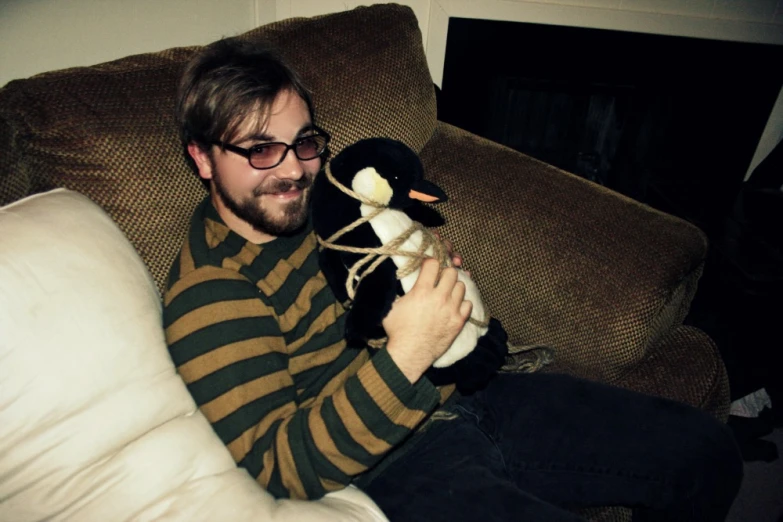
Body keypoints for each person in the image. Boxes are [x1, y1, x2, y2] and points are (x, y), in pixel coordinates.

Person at [163, 38, 743, 522]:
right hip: (395, 466)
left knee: (707, 453)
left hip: (472, 391)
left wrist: (434, 284)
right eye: (260, 149)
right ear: (204, 158)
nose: (294, 169)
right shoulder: (211, 296)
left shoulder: (327, 201)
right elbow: (278, 468)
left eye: (305, 142)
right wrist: (412, 347)